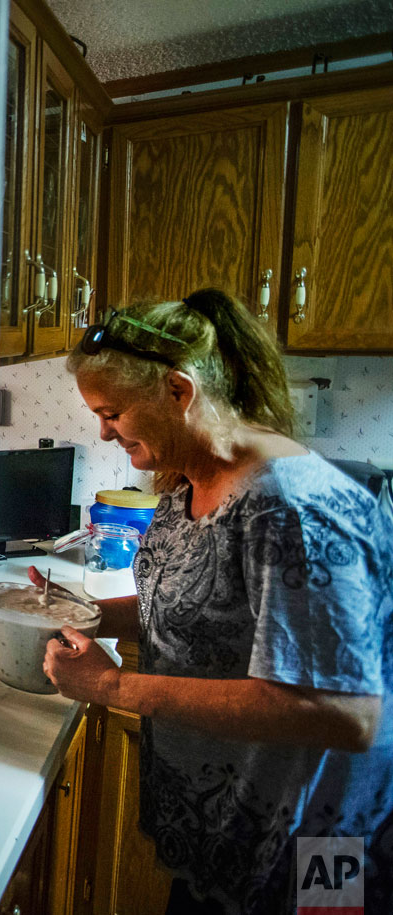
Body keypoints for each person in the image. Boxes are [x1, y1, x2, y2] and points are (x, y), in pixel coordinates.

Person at [32, 288, 392, 914]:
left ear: (178, 391)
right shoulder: (185, 480)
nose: (103, 432)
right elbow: (203, 614)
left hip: (309, 852)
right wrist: (85, 614)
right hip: (224, 842)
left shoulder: (290, 507)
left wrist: (115, 688)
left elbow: (341, 711)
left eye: (113, 412)